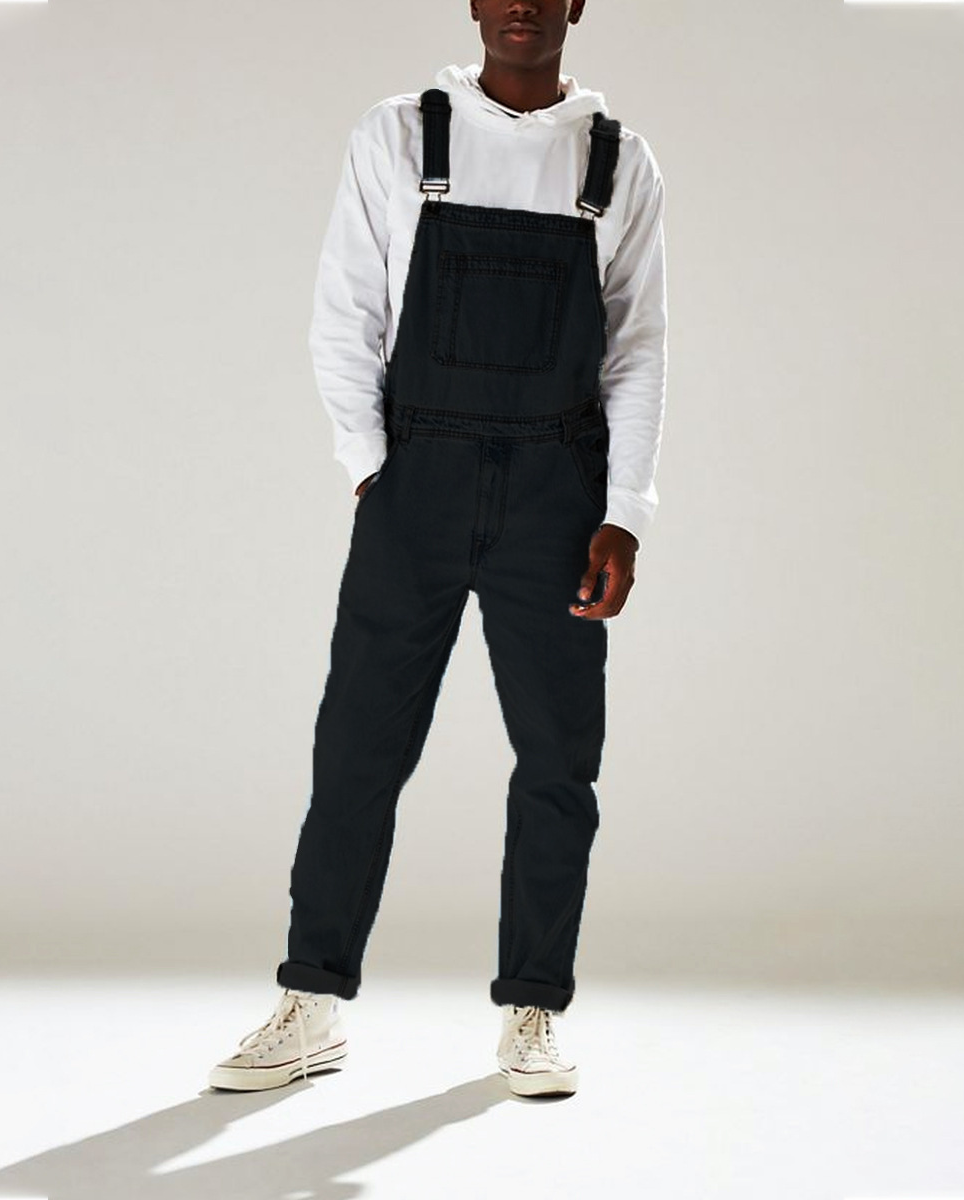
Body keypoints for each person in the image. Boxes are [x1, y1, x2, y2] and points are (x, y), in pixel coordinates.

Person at [209, 0, 666, 1100]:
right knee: (357, 748)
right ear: (473, 1)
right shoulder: (404, 131)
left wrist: (625, 511)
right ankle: (311, 1003)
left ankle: (533, 1012)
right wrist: (374, 467)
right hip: (417, 480)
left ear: (576, 4)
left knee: (558, 761)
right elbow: (345, 307)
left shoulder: (618, 161)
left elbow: (640, 345)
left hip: (559, 495)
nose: (521, 6)